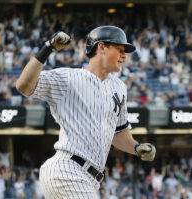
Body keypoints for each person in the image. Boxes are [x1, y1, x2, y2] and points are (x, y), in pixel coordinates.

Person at [16, 25, 156, 199]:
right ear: (101, 47)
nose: (124, 55)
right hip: (67, 169)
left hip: (89, 179)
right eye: (120, 49)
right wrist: (48, 47)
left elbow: (119, 133)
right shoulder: (68, 78)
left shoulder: (119, 87)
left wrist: (136, 147)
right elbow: (23, 86)